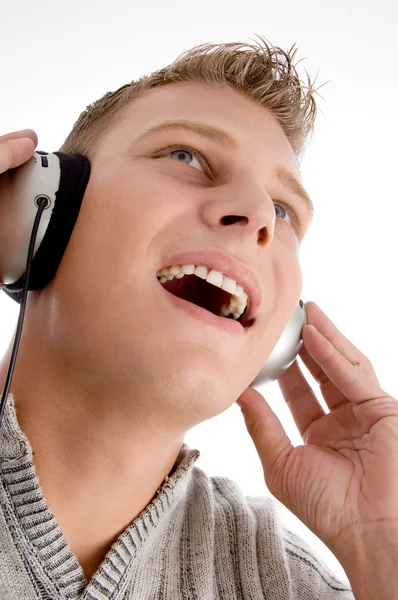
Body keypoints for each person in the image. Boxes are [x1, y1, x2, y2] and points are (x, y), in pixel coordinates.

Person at [0, 36, 397, 599]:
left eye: (284, 212)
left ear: (281, 339)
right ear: (39, 211)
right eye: (185, 156)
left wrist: (383, 545)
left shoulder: (298, 585)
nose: (260, 215)